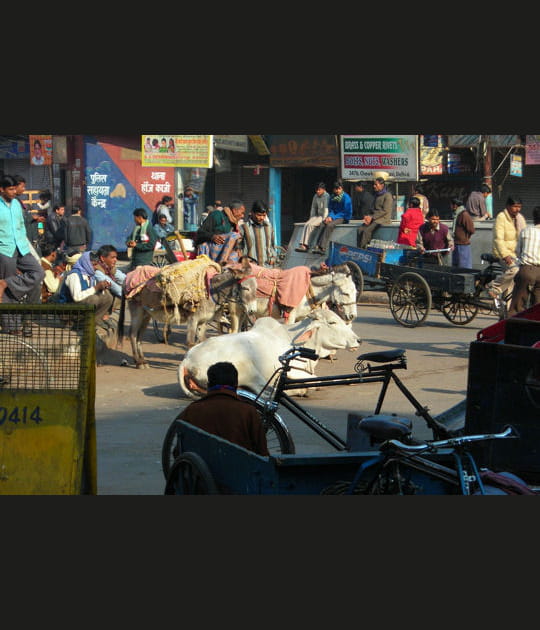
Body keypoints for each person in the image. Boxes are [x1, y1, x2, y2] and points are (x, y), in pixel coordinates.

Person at [177, 361, 269, 456]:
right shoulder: (248, 412)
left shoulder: (191, 410)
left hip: (200, 468)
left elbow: (179, 451)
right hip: (240, 468)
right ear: (236, 385)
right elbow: (262, 452)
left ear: (208, 385)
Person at [0, 175, 45, 334]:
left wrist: (27, 247)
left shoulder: (17, 205)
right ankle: (11, 327)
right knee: (7, 296)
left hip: (22, 248)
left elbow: (21, 226)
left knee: (39, 273)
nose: (14, 192)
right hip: (4, 249)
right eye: (10, 189)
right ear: (2, 189)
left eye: (14, 189)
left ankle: (7, 282)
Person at [58, 250, 114, 331]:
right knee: (94, 299)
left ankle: (91, 323)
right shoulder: (74, 275)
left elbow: (90, 292)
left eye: (96, 265)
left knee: (108, 297)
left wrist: (101, 289)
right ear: (86, 263)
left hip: (80, 307)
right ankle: (73, 323)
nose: (96, 267)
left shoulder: (91, 276)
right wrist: (96, 288)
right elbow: (77, 297)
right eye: (94, 265)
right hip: (67, 310)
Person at [486, 195, 527, 300]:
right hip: (502, 253)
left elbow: (525, 236)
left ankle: (506, 311)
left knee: (512, 282)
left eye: (519, 206)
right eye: (515, 206)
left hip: (516, 254)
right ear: (508, 206)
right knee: (514, 270)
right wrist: (505, 255)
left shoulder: (520, 218)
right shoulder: (501, 217)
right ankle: (494, 287)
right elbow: (498, 239)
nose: (517, 209)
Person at [508, 206, 540, 316]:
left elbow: (518, 251)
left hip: (526, 269)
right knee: (537, 308)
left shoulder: (525, 231)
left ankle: (511, 326)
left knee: (517, 306)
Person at [195, 199, 245, 264]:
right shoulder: (217, 215)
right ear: (235, 211)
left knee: (235, 256)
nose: (243, 216)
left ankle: (225, 268)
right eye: (242, 213)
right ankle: (222, 262)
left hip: (222, 250)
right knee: (234, 235)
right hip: (209, 247)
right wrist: (212, 237)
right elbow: (200, 232)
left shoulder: (233, 223)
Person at [312, 181, 352, 254]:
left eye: (339, 189)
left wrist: (333, 218)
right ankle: (317, 245)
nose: (337, 191)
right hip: (334, 216)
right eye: (336, 189)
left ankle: (322, 247)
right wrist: (330, 216)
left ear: (342, 189)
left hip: (343, 217)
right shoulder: (333, 197)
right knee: (323, 224)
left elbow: (346, 212)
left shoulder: (346, 198)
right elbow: (331, 209)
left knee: (330, 225)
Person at [356, 177, 393, 249]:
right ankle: (358, 248)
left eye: (376, 184)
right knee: (360, 229)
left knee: (367, 231)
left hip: (383, 219)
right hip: (374, 218)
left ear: (382, 185)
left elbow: (385, 211)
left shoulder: (387, 195)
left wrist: (372, 217)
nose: (374, 186)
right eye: (374, 184)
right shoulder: (376, 195)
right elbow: (372, 209)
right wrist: (368, 216)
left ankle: (364, 249)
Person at [295, 182, 329, 252]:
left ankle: (307, 245)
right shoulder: (315, 196)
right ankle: (302, 244)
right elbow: (313, 207)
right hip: (317, 215)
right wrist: (311, 218)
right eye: (316, 190)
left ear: (323, 189)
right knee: (307, 224)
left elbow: (326, 209)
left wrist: (323, 219)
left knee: (310, 225)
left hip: (323, 216)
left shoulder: (326, 196)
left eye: (319, 190)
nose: (317, 191)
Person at [450, 197, 476, 268]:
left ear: (455, 205)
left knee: (464, 267)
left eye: (451, 205)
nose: (450, 207)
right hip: (457, 244)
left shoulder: (464, 215)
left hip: (463, 245)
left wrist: (465, 238)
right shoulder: (457, 214)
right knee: (456, 266)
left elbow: (471, 229)